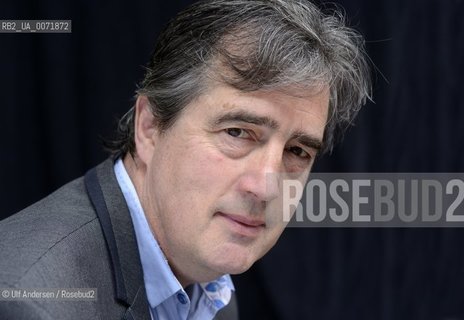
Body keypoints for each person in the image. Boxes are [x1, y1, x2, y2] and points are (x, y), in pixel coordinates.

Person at [0, 0, 371, 319]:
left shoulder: (209, 287)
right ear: (149, 127)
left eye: (297, 152)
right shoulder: (31, 304)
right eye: (237, 132)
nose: (265, 187)